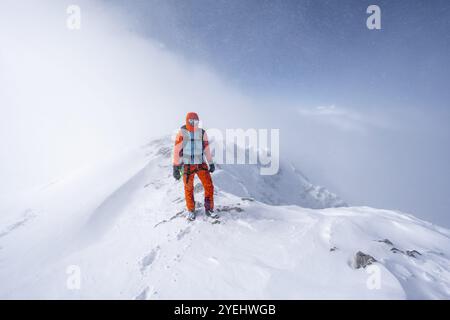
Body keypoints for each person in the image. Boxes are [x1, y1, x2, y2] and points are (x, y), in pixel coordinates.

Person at [172, 112, 217, 221]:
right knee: (188, 188)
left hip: (201, 163)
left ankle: (209, 208)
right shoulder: (181, 133)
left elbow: (206, 149)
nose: (193, 123)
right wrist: (176, 167)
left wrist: (210, 163)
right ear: (187, 121)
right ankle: (191, 210)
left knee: (209, 185)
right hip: (187, 165)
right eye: (191, 121)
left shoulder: (202, 133)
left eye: (195, 121)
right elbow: (177, 151)